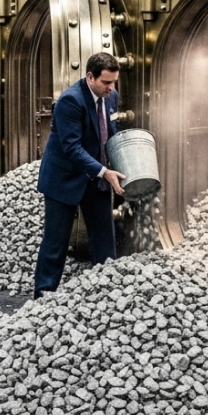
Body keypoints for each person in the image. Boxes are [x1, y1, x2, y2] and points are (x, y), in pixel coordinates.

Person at [33, 52, 127, 298]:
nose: (111, 87)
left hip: (96, 177)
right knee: (56, 242)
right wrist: (104, 171)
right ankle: (42, 298)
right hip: (64, 178)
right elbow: (72, 148)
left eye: (114, 81)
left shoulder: (112, 97)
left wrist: (124, 163)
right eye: (106, 82)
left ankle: (106, 294)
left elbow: (111, 134)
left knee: (105, 237)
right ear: (90, 77)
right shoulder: (70, 101)